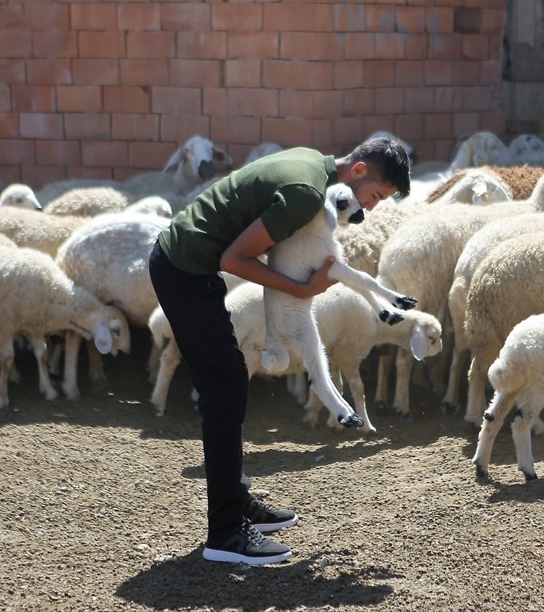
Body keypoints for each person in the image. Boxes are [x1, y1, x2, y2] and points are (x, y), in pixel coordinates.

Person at [148, 136, 412, 566]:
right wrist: (302, 289)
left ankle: (236, 501)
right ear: (359, 171)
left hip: (193, 266)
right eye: (376, 196)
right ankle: (226, 534)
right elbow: (236, 258)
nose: (371, 208)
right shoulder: (306, 193)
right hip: (183, 269)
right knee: (225, 391)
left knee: (230, 379)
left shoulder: (316, 166)